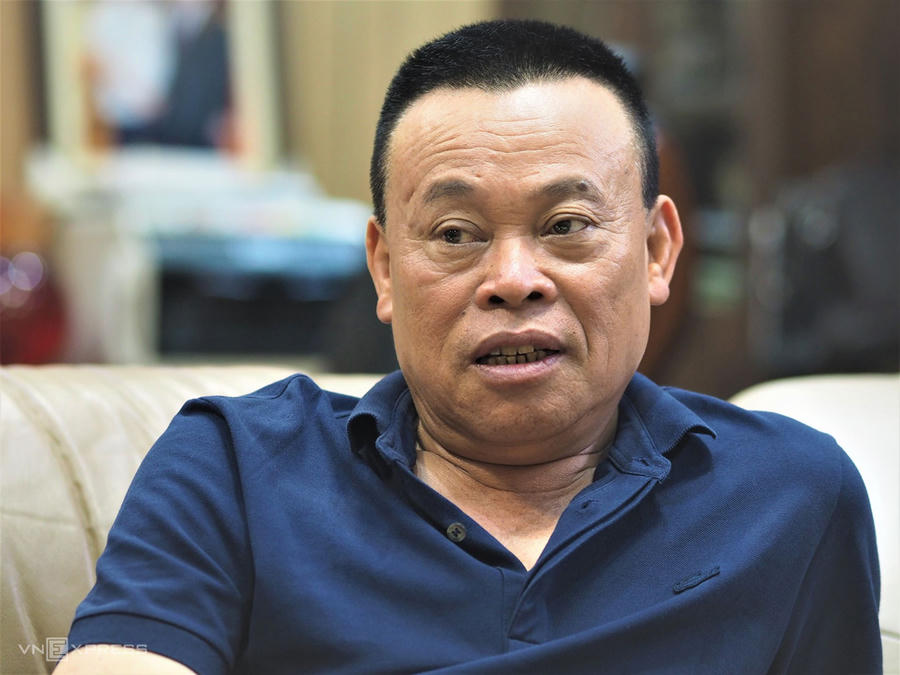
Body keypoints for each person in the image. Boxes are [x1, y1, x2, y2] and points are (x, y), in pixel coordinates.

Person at [57, 19, 881, 674]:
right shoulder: (234, 469)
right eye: (456, 233)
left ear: (658, 251)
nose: (514, 280)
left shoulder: (791, 497)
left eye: (567, 224)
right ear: (384, 267)